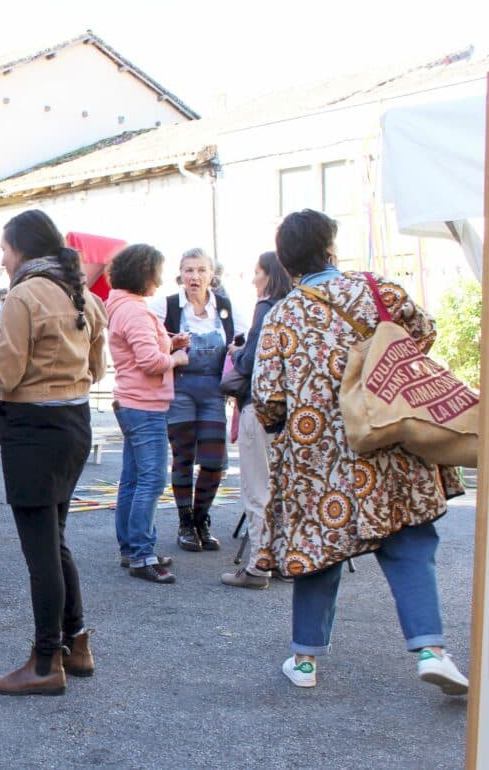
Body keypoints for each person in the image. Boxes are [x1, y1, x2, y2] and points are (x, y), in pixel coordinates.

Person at [253, 209, 468, 694]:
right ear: (332, 249)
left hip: (316, 456)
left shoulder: (282, 314)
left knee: (319, 551)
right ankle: (432, 651)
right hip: (387, 437)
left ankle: (305, 662)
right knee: (410, 541)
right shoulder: (379, 291)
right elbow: (421, 337)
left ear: (287, 264)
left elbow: (268, 397)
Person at [0, 209, 107, 696]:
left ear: (21, 249)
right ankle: (77, 643)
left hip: (34, 432)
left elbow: (3, 373)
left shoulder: (24, 295)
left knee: (40, 554)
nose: (1, 259)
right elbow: (97, 368)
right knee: (55, 539)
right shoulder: (80, 291)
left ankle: (45, 662)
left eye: (3, 249)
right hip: (74, 424)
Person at [105, 244, 187, 584]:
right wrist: (178, 359)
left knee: (134, 479)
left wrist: (170, 343)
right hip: (144, 405)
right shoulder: (136, 311)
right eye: (158, 270)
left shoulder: (122, 306)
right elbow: (150, 362)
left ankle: (131, 548)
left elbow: (144, 350)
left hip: (131, 402)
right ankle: (142, 553)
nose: (162, 277)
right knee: (151, 480)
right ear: (145, 273)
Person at [148, 248, 233, 552]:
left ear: (212, 274)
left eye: (200, 270)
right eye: (188, 270)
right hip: (180, 388)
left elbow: (244, 339)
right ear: (180, 274)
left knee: (213, 461)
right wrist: (171, 344)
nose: (194, 277)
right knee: (183, 456)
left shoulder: (225, 307)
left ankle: (201, 518)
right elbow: (148, 338)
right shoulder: (166, 305)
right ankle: (185, 523)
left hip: (214, 391)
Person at [221, 250, 291, 590]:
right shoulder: (297, 307)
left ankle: (257, 567)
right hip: (293, 412)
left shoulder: (266, 307)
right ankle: (279, 559)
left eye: (257, 272)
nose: (253, 279)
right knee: (280, 488)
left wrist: (237, 353)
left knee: (256, 488)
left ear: (271, 275)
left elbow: (252, 362)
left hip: (260, 407)